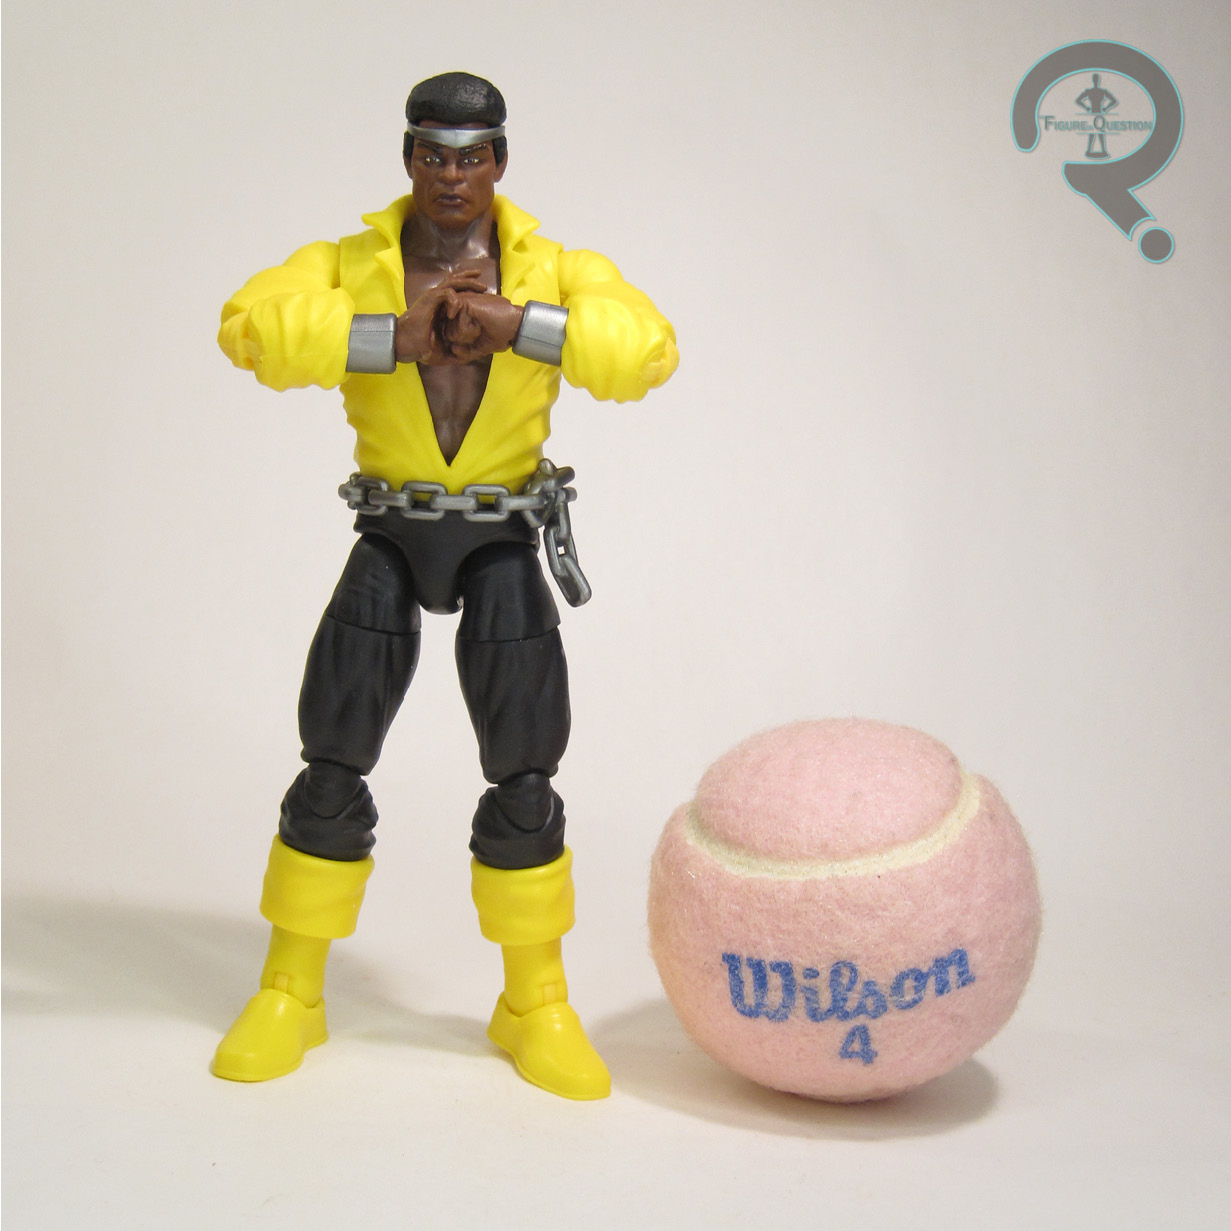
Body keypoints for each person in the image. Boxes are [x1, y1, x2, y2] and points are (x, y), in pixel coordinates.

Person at [213, 71, 677, 1100]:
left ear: (499, 161)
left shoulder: (553, 269)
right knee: (331, 760)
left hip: (500, 538)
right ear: (408, 157)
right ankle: (291, 988)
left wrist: (523, 326)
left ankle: (534, 1001)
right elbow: (250, 328)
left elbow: (644, 354)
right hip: (392, 529)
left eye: (470, 156)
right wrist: (390, 337)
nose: (451, 174)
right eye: (433, 153)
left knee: (525, 776)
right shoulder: (352, 264)